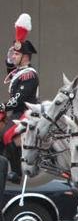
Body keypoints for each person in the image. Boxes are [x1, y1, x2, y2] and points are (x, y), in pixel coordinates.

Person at [2, 13, 39, 181]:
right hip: (16, 111)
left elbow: (19, 98)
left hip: (25, 111)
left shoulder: (29, 74)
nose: (13, 57)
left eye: (16, 55)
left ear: (25, 57)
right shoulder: (20, 72)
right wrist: (10, 61)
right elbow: (12, 72)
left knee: (7, 135)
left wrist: (3, 106)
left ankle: (17, 173)